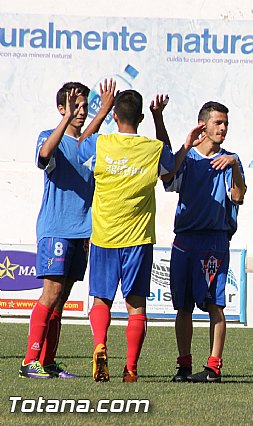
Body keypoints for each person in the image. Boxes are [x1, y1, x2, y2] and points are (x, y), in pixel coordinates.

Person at [78, 87, 176, 383]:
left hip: (105, 237)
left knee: (101, 301)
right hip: (137, 239)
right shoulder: (152, 149)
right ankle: (131, 368)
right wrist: (159, 120)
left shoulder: (102, 143)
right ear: (142, 118)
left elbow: (80, 144)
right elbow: (169, 166)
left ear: (115, 115)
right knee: (136, 307)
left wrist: (102, 110)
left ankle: (100, 345)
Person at [163, 102, 246, 383]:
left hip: (214, 241)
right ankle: (184, 365)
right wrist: (185, 146)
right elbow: (167, 177)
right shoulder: (188, 159)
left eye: (226, 123)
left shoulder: (230, 160)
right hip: (185, 240)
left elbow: (237, 196)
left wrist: (234, 166)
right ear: (203, 125)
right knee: (183, 306)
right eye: (217, 123)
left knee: (214, 304)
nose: (223, 128)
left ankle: (213, 367)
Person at [20, 82, 94, 379]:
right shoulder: (49, 137)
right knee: (50, 293)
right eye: (74, 107)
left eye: (84, 107)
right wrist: (65, 121)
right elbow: (43, 156)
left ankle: (48, 362)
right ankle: (29, 360)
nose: (80, 112)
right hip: (56, 229)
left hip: (82, 231)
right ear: (62, 109)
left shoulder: (90, 143)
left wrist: (101, 111)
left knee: (62, 298)